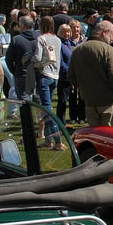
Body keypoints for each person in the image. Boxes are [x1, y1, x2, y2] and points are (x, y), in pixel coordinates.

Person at [67, 21, 113, 127]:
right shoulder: (109, 51)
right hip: (109, 103)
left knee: (96, 138)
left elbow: (71, 77)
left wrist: (83, 89)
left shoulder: (77, 50)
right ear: (105, 32)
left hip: (89, 102)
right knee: (111, 138)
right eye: (112, 36)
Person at [33, 15, 63, 149]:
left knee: (46, 108)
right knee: (47, 106)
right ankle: (49, 140)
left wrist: (30, 61)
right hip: (55, 75)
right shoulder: (57, 40)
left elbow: (38, 57)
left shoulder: (41, 38)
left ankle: (58, 140)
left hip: (44, 74)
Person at [4, 15, 40, 100]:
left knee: (24, 101)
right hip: (38, 72)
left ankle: (26, 113)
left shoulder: (16, 39)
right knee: (38, 99)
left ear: (22, 26)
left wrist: (14, 71)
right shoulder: (40, 38)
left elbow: (8, 58)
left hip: (22, 73)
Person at [56, 24, 74, 124]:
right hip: (64, 77)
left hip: (71, 77)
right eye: (64, 32)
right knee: (62, 100)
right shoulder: (60, 44)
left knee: (70, 100)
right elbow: (61, 61)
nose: (67, 34)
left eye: (68, 32)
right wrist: (68, 72)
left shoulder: (70, 44)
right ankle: (61, 121)